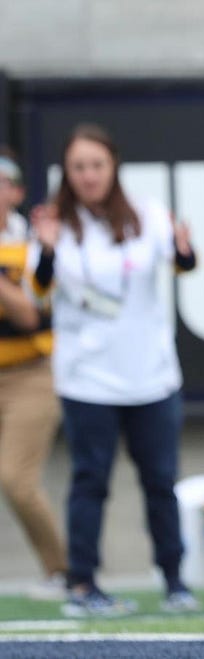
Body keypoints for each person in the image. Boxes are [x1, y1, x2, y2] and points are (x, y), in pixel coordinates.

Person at [30, 124, 199, 616]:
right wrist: (45, 248)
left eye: (97, 165)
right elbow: (38, 291)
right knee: (90, 481)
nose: (88, 176)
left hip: (150, 375)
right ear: (68, 172)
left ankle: (174, 580)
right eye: (79, 167)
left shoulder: (146, 214)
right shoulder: (53, 221)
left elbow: (183, 262)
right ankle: (82, 584)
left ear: (113, 167)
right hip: (88, 378)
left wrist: (186, 247)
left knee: (160, 481)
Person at [0, 158, 67, 602]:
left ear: (17, 193)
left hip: (30, 374)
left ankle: (62, 571)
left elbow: (28, 313)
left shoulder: (32, 244)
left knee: (15, 478)